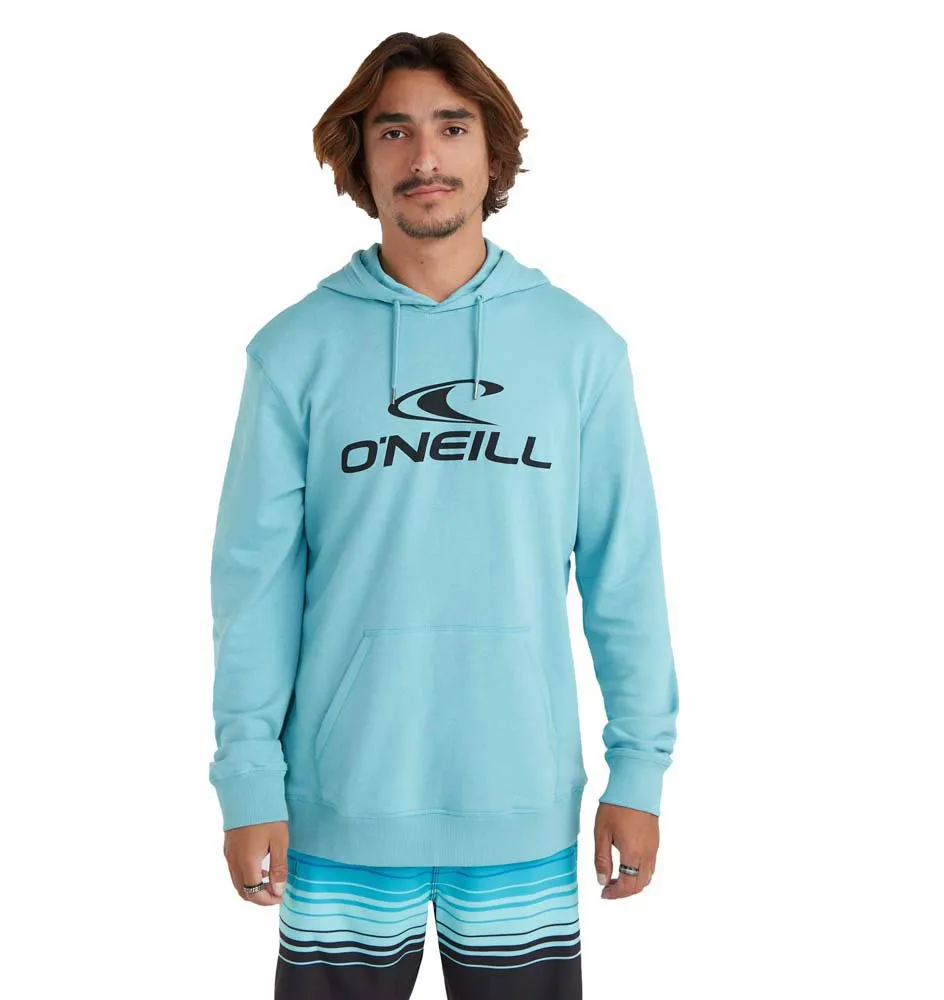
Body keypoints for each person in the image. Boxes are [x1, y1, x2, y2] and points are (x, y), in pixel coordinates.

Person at [208, 30, 680, 1000]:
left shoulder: (578, 349)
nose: (424, 157)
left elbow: (623, 578)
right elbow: (253, 589)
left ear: (492, 152)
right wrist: (247, 780)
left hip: (519, 805)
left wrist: (638, 770)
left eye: (452, 127)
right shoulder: (293, 353)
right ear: (360, 158)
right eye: (394, 131)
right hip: (339, 807)